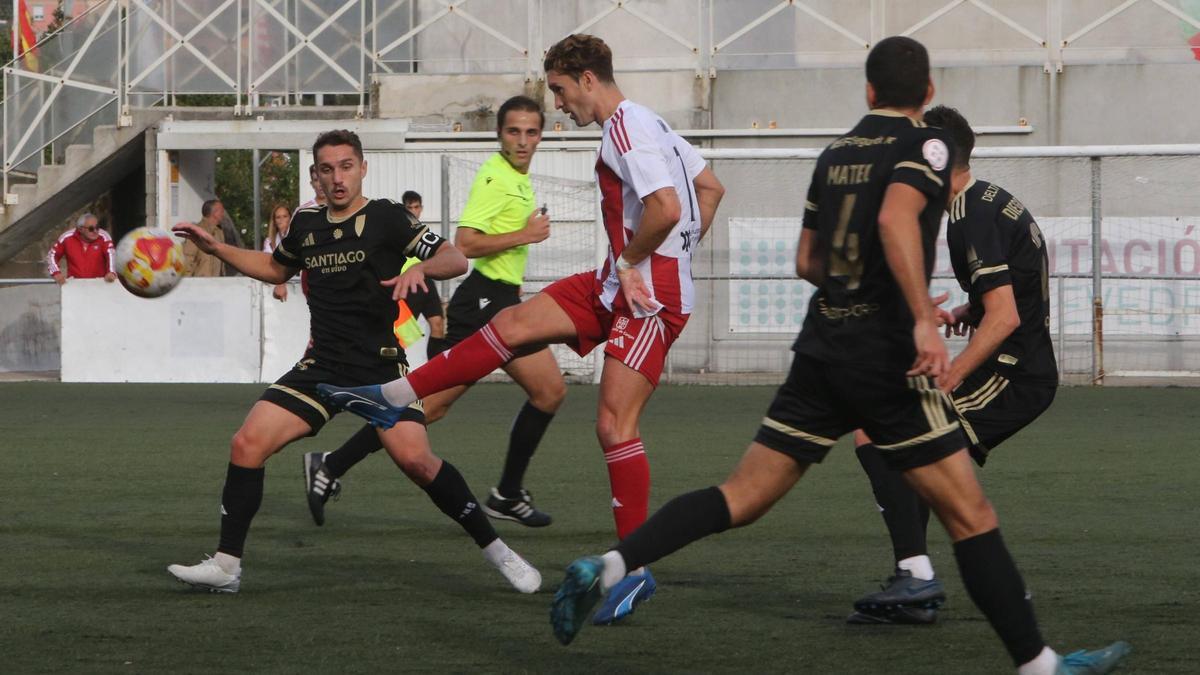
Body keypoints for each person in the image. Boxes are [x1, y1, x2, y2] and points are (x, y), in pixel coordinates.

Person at [544, 37, 1130, 675]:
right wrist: (917, 317)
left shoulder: (837, 154)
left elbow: (806, 262)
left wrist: (868, 291)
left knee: (742, 495)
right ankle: (1040, 665)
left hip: (822, 351)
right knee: (970, 512)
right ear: (926, 94)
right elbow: (895, 223)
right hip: (883, 361)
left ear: (870, 92)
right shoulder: (928, 146)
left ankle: (609, 566)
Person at [318, 35, 725, 626]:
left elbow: (664, 207)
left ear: (587, 78)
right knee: (510, 323)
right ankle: (396, 396)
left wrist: (650, 265)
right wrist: (665, 255)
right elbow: (710, 188)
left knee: (614, 425)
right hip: (618, 279)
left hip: (647, 297)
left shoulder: (629, 129)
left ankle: (633, 573)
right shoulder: (649, 123)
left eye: (559, 90)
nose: (558, 105)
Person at [166, 129, 541, 596]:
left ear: (363, 168)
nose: (337, 178)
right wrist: (217, 248)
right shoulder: (304, 224)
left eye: (346, 166)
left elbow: (455, 258)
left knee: (419, 463)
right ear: (315, 175)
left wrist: (421, 267)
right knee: (246, 445)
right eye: (327, 169)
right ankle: (226, 566)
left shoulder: (387, 217)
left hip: (378, 369)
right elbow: (276, 270)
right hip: (320, 368)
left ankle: (501, 553)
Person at [304, 96, 566, 530]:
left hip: (502, 302)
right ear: (500, 134)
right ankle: (331, 464)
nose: (522, 141)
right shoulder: (495, 178)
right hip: (482, 306)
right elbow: (466, 244)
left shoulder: (519, 179)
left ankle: (507, 493)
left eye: (531, 132)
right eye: (513, 131)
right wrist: (526, 234)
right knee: (425, 407)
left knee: (550, 391)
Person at [847, 105, 1061, 625]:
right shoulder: (988, 199)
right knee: (904, 450)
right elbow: (1008, 297)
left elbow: (1007, 317)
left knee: (881, 437)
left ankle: (918, 580)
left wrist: (954, 371)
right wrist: (969, 309)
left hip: (1014, 374)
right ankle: (915, 579)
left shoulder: (969, 215)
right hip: (1016, 364)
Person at [397, 190, 448, 352]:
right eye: (410, 207)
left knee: (438, 325)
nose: (414, 211)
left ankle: (436, 374)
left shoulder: (425, 233)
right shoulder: (397, 231)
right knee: (401, 336)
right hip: (408, 284)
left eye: (416, 207)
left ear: (421, 208)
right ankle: (391, 371)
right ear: (404, 209)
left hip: (426, 281)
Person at [47, 213, 116, 284]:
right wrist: (56, 273)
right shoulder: (67, 237)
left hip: (99, 284)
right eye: (91, 229)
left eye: (97, 227)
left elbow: (111, 255)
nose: (95, 231)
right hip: (75, 285)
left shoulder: (104, 236)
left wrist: (111, 272)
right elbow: (52, 255)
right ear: (80, 229)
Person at [183, 200, 227, 277]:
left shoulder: (219, 232)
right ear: (215, 213)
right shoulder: (196, 231)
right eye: (221, 211)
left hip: (216, 284)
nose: (223, 214)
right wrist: (186, 283)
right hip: (199, 284)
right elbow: (187, 259)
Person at [262, 203, 293, 302]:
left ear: (290, 218)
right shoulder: (269, 241)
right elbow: (269, 265)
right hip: (274, 289)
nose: (282, 220)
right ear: (274, 221)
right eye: (278, 217)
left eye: (285, 216)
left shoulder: (298, 237)